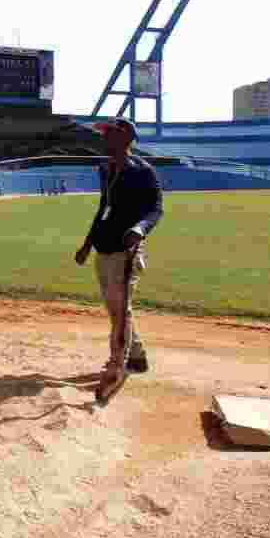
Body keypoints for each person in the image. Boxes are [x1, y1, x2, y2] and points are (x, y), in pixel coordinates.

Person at [74, 117, 163, 399]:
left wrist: (139, 229)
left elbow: (156, 208)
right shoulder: (106, 169)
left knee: (120, 311)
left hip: (126, 251)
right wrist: (87, 244)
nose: (104, 138)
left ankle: (116, 366)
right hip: (104, 247)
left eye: (110, 134)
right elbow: (104, 207)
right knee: (117, 310)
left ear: (125, 139)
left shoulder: (143, 171)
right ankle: (136, 356)